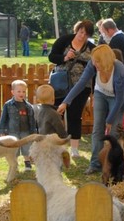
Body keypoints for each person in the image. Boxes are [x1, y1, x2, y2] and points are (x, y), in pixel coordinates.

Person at [57, 44, 124, 175]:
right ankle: (95, 164)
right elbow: (81, 83)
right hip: (100, 94)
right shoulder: (93, 64)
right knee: (97, 129)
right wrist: (66, 102)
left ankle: (114, 166)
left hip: (117, 99)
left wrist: (109, 120)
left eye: (97, 61)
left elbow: (121, 99)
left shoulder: (120, 70)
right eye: (93, 60)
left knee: (115, 132)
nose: (93, 63)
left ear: (104, 60)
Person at [48, 20, 95, 158]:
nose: (82, 36)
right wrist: (65, 57)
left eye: (86, 34)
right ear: (77, 30)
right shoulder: (64, 40)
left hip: (81, 87)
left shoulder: (92, 48)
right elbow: (52, 57)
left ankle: (74, 148)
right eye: (81, 32)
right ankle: (57, 145)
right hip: (62, 83)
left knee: (75, 115)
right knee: (58, 114)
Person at [0, 79, 36, 171]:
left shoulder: (28, 106)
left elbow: (32, 119)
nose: (21, 93)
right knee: (14, 149)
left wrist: (33, 132)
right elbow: (3, 119)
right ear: (13, 92)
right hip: (12, 131)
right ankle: (14, 164)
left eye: (23, 91)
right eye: (18, 91)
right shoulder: (8, 105)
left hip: (25, 131)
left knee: (26, 147)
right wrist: (2, 131)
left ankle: (27, 163)